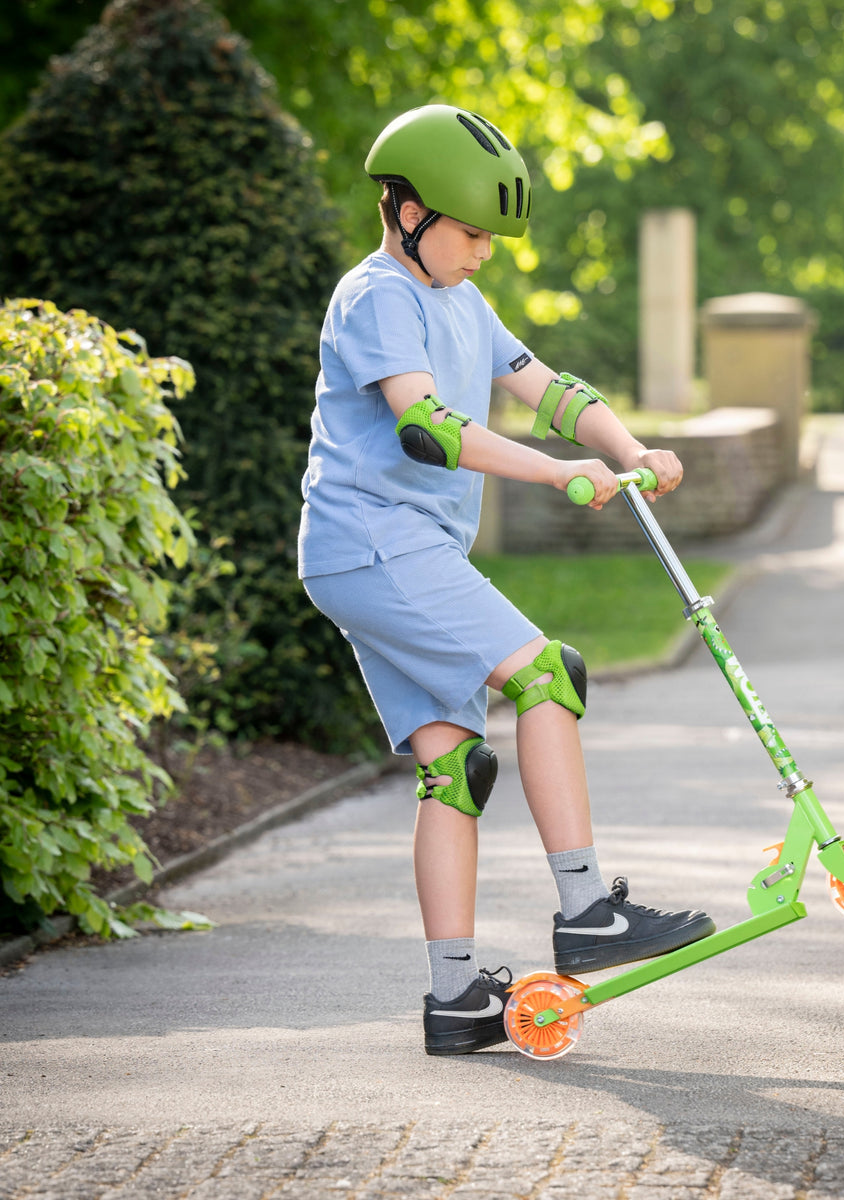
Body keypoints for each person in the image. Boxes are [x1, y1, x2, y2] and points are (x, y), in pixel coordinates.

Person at [299, 104, 714, 1056]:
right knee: (547, 674)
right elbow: (429, 426)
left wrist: (627, 445)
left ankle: (455, 999)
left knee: (455, 767)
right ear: (406, 211)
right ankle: (587, 911)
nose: (485, 252)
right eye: (473, 232)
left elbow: (547, 388)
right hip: (375, 544)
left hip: (394, 553)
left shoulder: (460, 300)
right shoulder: (375, 299)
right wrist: (556, 473)